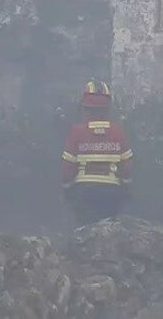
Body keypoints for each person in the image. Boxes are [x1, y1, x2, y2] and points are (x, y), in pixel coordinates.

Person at [61, 79, 132, 227]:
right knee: (109, 233)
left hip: (84, 194)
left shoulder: (77, 132)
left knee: (84, 232)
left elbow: (68, 169)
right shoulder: (118, 133)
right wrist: (126, 187)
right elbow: (126, 169)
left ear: (86, 108)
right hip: (112, 195)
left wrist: (67, 189)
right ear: (108, 109)